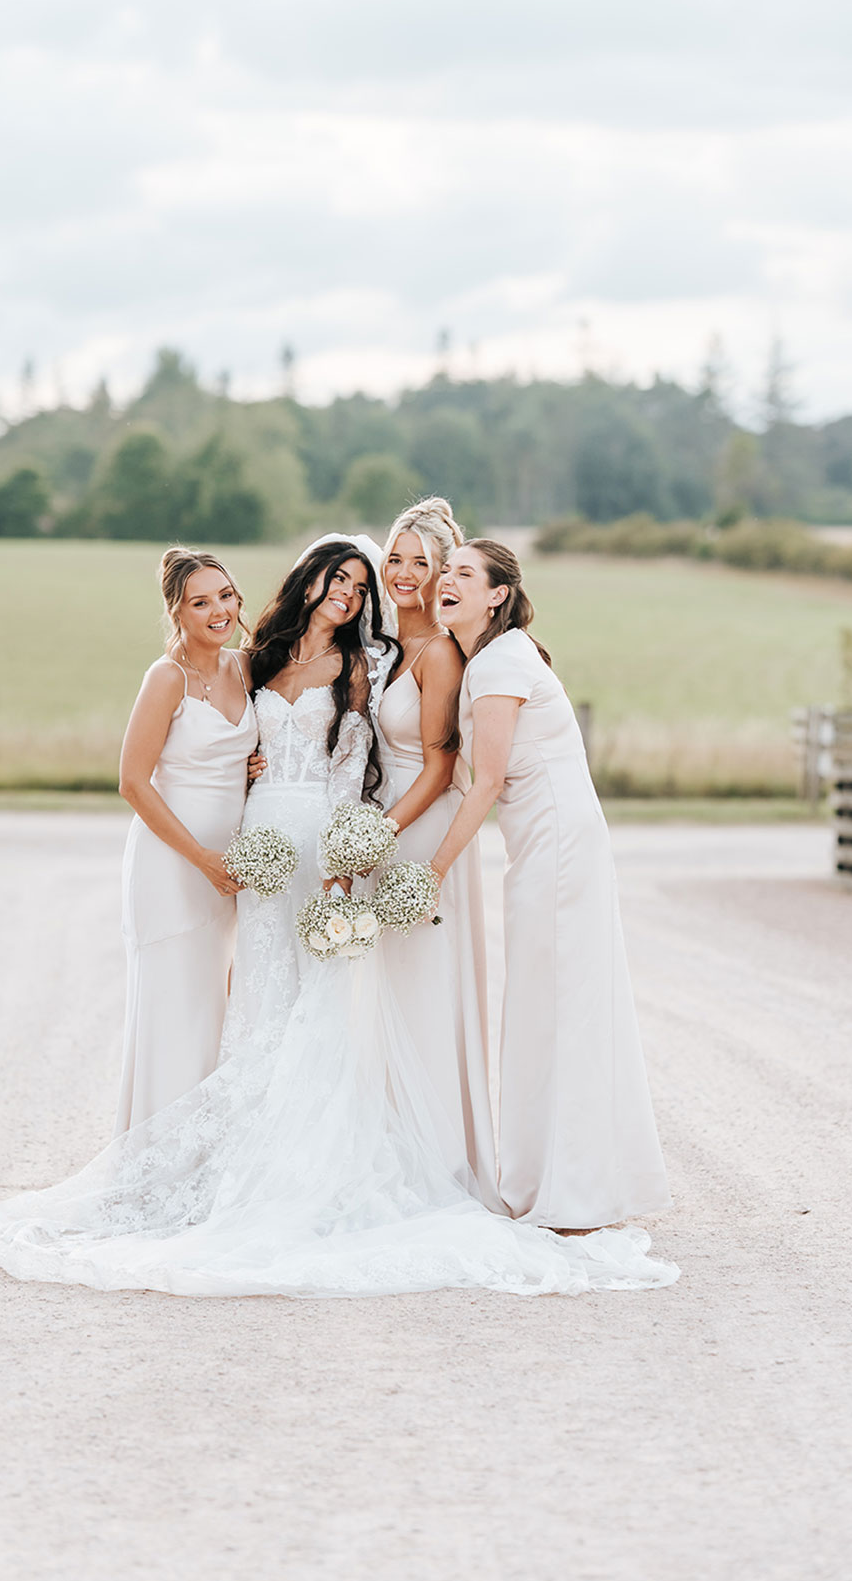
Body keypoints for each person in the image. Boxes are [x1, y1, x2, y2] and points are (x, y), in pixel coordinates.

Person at [0, 535, 676, 1299]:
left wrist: (356, 837)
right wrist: (244, 767)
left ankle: (321, 1167)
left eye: (358, 583)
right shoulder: (257, 659)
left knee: (326, 999)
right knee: (260, 994)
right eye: (336, 577)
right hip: (263, 839)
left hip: (327, 839)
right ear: (306, 580)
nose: (347, 591)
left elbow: (375, 755)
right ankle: (239, 1164)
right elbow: (223, 726)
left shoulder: (361, 666)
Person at [431, 539, 671, 1231]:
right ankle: (549, 1175)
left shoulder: (502, 660)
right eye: (447, 573)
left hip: (557, 840)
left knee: (560, 997)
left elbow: (490, 781)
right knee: (548, 997)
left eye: (464, 574)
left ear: (497, 593)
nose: (448, 581)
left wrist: (434, 869)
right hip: (540, 837)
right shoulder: (489, 659)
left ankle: (575, 1185)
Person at [376, 498, 499, 1207]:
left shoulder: (441, 653)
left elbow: (438, 762)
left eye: (421, 562)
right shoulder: (387, 647)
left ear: (442, 574)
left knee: (421, 985)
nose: (403, 572)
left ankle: (431, 1165)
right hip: (383, 822)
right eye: (396, 556)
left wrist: (380, 833)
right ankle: (386, 1145)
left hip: (416, 828)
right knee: (382, 994)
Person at [114, 548, 257, 1135]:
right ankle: (154, 1158)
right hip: (174, 863)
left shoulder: (245, 669)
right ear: (178, 612)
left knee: (211, 1006)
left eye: (225, 596)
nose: (218, 610)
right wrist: (200, 858)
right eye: (201, 602)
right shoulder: (166, 677)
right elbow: (131, 782)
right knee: (172, 1002)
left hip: (228, 864)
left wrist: (257, 766)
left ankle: (202, 1154)